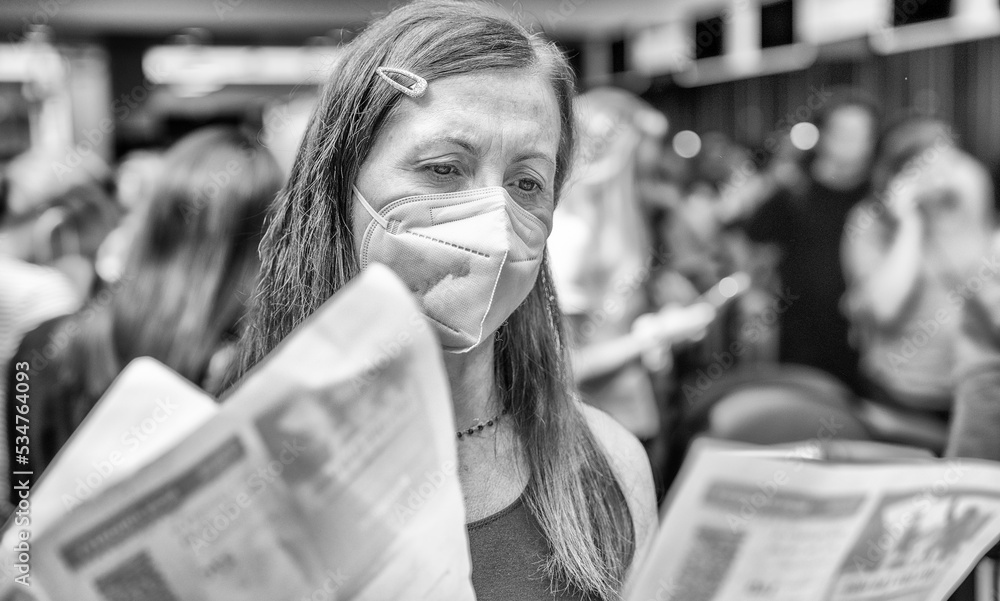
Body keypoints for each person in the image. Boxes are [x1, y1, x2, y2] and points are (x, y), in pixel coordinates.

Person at [227, 2, 656, 599]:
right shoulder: (231, 482)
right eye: (443, 169)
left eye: (527, 182)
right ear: (338, 185)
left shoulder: (608, 467)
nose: (495, 223)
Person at [6, 126, 281, 496]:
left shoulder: (43, 343)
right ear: (263, 239)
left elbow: (22, 492)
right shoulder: (253, 360)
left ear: (150, 216)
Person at [842, 118, 994, 450]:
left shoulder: (965, 209)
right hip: (904, 398)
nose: (941, 177)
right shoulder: (870, 223)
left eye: (949, 163)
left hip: (967, 391)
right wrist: (909, 224)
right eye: (927, 166)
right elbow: (885, 308)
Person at [741, 92, 879, 394]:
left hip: (862, 337)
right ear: (824, 136)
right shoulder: (794, 192)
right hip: (801, 331)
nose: (852, 143)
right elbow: (754, 241)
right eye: (843, 133)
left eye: (861, 134)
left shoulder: (878, 197)